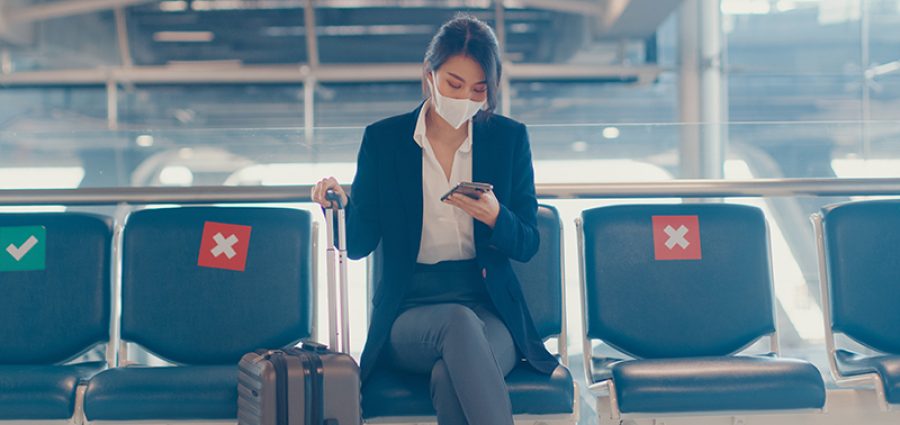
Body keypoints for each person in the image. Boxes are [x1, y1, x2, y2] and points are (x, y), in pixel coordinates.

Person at [311, 14, 557, 425]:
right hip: (409, 310)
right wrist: (337, 204)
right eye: (453, 84)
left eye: (478, 89)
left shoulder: (508, 139)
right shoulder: (385, 141)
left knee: (450, 375)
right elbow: (357, 245)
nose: (465, 98)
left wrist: (498, 218)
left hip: (488, 308)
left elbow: (528, 243)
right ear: (429, 76)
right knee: (456, 324)